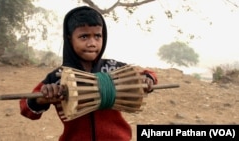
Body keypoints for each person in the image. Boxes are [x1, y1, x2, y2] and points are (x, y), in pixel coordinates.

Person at [20, 6, 157, 141]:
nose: (92, 43)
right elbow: (27, 108)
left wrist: (148, 78)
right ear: (69, 39)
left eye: (97, 36)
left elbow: (145, 74)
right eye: (84, 36)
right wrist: (41, 99)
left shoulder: (114, 69)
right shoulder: (59, 77)